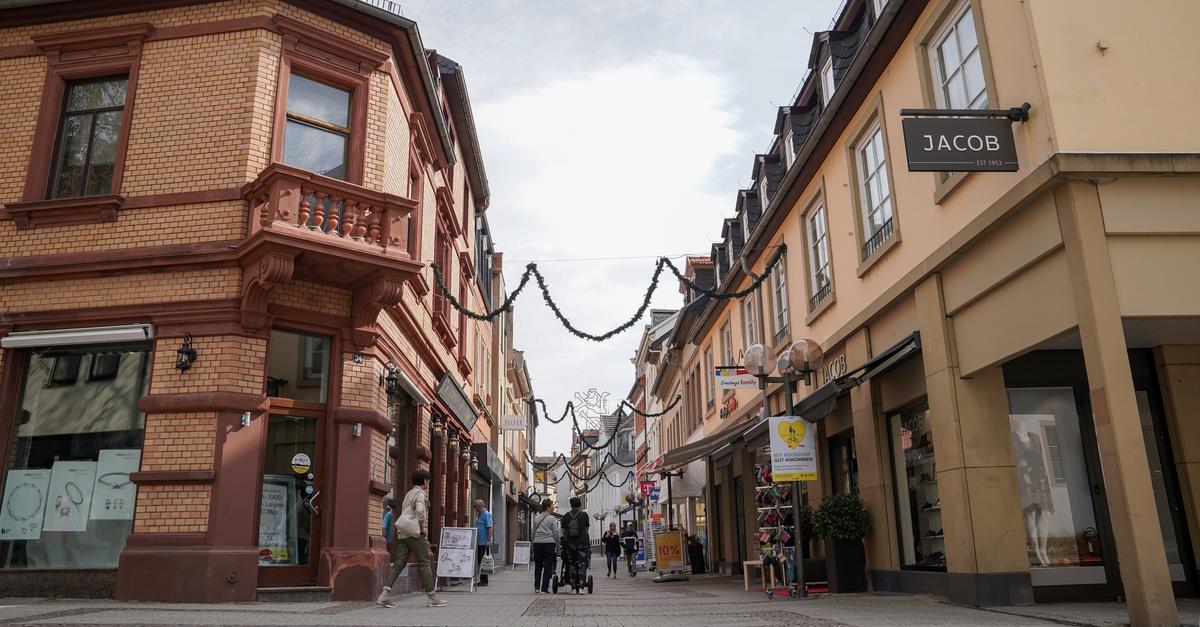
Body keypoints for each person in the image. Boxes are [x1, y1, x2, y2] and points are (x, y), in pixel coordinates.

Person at [376, 469, 447, 608]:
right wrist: (422, 528)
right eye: (428, 480)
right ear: (425, 481)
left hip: (403, 533)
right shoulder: (420, 493)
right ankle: (432, 597)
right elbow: (420, 511)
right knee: (425, 561)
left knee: (399, 563)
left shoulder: (409, 493)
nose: (428, 483)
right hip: (414, 534)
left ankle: (384, 595)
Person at [560, 496, 590, 593]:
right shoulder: (584, 515)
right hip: (582, 544)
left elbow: (563, 530)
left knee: (571, 565)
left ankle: (573, 587)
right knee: (582, 565)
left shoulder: (566, 516)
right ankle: (581, 587)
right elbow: (586, 529)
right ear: (579, 504)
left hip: (570, 545)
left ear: (571, 505)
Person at [530, 498, 560, 594]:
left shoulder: (536, 518)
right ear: (547, 507)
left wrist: (532, 542)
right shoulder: (552, 518)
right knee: (547, 566)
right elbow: (555, 532)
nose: (553, 508)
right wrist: (557, 543)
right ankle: (544, 588)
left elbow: (533, 532)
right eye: (552, 506)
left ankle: (536, 587)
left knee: (538, 565)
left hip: (537, 543)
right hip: (549, 543)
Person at [473, 499, 494, 586]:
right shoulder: (479, 515)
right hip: (479, 542)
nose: (475, 509)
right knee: (480, 561)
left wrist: (488, 540)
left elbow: (490, 528)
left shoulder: (486, 514)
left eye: (475, 507)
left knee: (483, 561)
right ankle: (482, 579)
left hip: (484, 542)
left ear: (480, 506)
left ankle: (484, 581)